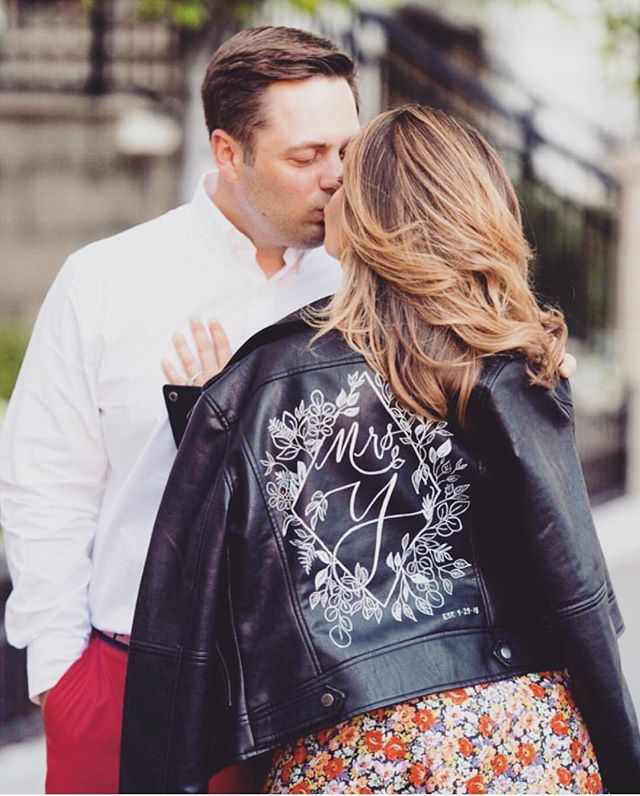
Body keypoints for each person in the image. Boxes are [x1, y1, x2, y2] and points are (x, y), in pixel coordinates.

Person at [120, 105, 640, 795]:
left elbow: (188, 627)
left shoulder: (254, 381)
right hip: (521, 738)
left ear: (365, 217)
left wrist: (207, 423)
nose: (330, 188)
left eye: (346, 182)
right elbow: (574, 588)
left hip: (354, 754)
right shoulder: (513, 365)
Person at [0, 26, 360, 794]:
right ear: (227, 153)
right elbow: (46, 481)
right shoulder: (105, 281)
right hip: (125, 681)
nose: (336, 178)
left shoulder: (367, 286)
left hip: (321, 696)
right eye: (306, 157)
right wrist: (60, 675)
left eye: (345, 150)